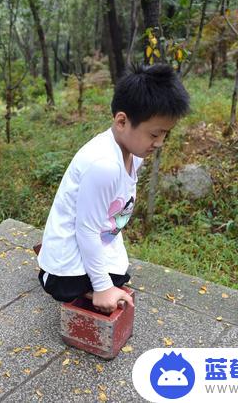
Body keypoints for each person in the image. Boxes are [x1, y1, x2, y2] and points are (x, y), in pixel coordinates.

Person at [37, 64, 190, 314]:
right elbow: (85, 229)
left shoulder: (134, 153)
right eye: (154, 134)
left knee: (119, 278)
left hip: (102, 235)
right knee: (70, 285)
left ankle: (94, 281)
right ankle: (47, 271)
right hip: (76, 237)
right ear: (121, 121)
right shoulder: (104, 165)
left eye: (165, 135)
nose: (160, 143)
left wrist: (106, 285)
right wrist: (101, 286)